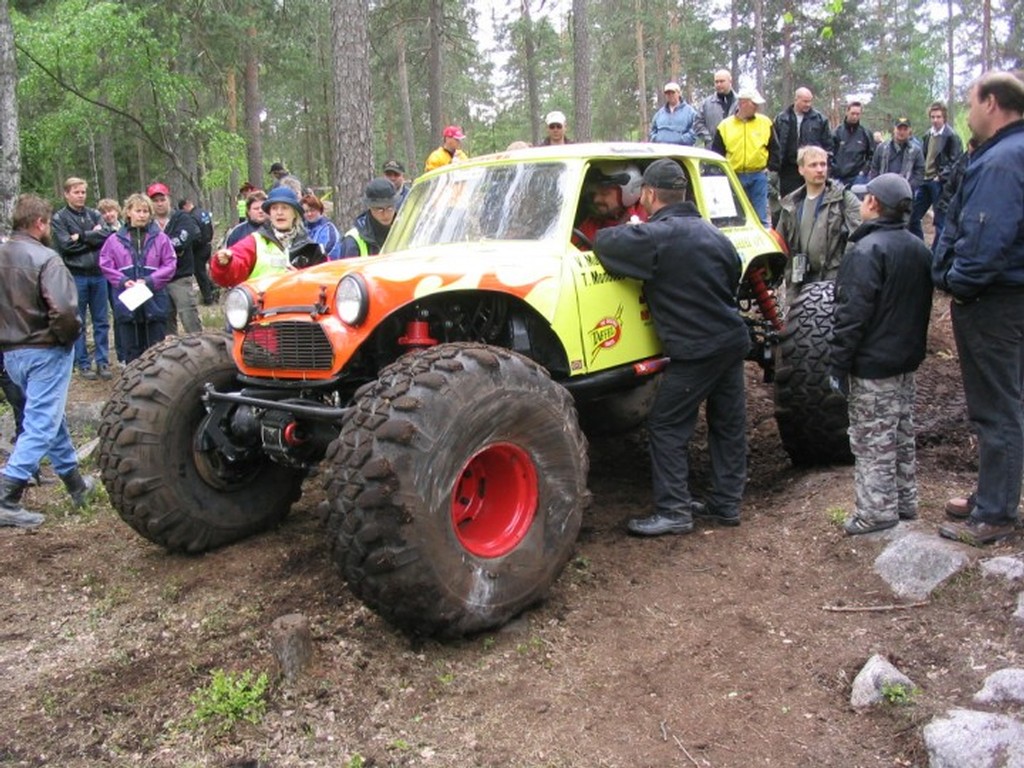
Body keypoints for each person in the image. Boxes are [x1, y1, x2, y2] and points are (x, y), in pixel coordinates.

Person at [593, 159, 750, 536]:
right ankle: (726, 504)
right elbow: (734, 274)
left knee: (665, 425)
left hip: (696, 350)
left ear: (648, 194)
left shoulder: (654, 237)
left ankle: (674, 511)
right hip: (731, 340)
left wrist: (630, 227)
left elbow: (603, 243)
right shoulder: (714, 235)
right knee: (728, 423)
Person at [933, 71, 1024, 547]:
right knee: (1001, 401)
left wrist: (956, 282)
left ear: (991, 103)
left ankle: (995, 513)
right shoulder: (1006, 153)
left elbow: (986, 235)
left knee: (996, 406)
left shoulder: (1003, 161)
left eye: (970, 102)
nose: (967, 112)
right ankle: (992, 494)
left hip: (994, 299)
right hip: (1003, 295)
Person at [828, 174, 933, 535]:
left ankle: (875, 513)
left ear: (872, 203)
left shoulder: (866, 250)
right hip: (905, 362)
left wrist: (838, 364)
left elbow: (851, 315)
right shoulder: (919, 248)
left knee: (872, 440)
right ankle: (904, 502)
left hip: (873, 366)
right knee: (902, 435)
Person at [0, 194, 98, 528]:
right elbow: (66, 311)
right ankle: (6, 494)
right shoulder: (46, 258)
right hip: (44, 348)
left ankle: (75, 485)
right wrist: (66, 339)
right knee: (41, 422)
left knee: (49, 417)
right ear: (40, 223)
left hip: (12, 353)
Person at [99, 193, 177, 363]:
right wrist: (121, 280)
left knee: (155, 350)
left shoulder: (161, 238)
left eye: (145, 211)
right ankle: (131, 381)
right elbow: (105, 264)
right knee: (131, 350)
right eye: (138, 211)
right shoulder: (114, 240)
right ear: (128, 212)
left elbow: (170, 264)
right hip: (126, 300)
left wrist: (150, 281)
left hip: (154, 299)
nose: (142, 215)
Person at [776, 145, 861, 294]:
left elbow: (859, 238)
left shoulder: (844, 199)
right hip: (800, 282)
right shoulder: (791, 203)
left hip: (833, 282)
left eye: (823, 164)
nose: (820, 169)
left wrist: (845, 276)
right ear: (801, 169)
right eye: (813, 165)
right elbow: (779, 244)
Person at [51, 176, 112, 381]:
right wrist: (90, 237)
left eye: (83, 192)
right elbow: (66, 245)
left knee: (101, 320)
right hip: (75, 275)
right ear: (67, 194)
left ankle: (103, 361)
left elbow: (106, 235)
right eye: (76, 192)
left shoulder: (94, 214)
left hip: (98, 274)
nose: (80, 196)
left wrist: (81, 236)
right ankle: (83, 363)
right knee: (78, 322)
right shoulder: (60, 218)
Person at [210, 186, 324, 288]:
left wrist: (303, 278)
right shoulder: (254, 241)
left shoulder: (310, 246)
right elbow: (231, 275)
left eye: (285, 208)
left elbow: (325, 280)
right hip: (262, 309)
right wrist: (225, 263)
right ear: (269, 214)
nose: (279, 212)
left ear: (295, 213)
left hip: (300, 309)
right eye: (274, 208)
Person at [711, 87, 781, 228]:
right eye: (753, 103)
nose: (757, 107)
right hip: (733, 177)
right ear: (742, 103)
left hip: (758, 176)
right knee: (735, 218)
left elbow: (775, 148)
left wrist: (770, 168)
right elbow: (717, 154)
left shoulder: (765, 122)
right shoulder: (725, 126)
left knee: (761, 217)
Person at [147, 183, 202, 334]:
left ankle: (199, 350)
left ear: (168, 199)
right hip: (157, 279)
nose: (159, 203)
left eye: (162, 199)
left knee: (189, 316)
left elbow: (183, 240)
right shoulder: (147, 222)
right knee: (165, 320)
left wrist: (157, 249)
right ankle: (171, 353)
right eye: (155, 200)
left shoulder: (182, 217)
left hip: (180, 276)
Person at [908, 101, 964, 244]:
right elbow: (924, 157)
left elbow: (956, 162)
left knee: (940, 222)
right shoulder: (928, 135)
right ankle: (919, 248)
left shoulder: (952, 137)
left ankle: (936, 257)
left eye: (938, 117)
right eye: (932, 117)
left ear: (944, 117)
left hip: (940, 184)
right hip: (925, 181)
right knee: (913, 217)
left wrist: (941, 177)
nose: (935, 120)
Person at [774, 87, 833, 198]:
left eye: (810, 101)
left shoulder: (820, 120)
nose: (808, 104)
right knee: (789, 202)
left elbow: (828, 146)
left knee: (812, 200)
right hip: (788, 170)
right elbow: (775, 145)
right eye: (805, 101)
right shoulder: (781, 119)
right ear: (796, 99)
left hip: (812, 168)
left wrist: (826, 168)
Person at [573, 163, 647, 245]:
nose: (596, 199)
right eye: (594, 193)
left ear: (629, 192)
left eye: (604, 193)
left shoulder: (650, 218)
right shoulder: (593, 222)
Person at [339, 178, 399, 258]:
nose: (386, 214)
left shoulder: (406, 231)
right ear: (370, 208)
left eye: (390, 208)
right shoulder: (353, 240)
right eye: (379, 209)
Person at [869, 117, 925, 193]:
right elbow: (874, 169)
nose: (902, 132)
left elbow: (920, 173)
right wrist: (877, 187)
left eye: (905, 129)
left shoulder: (916, 151)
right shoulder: (882, 148)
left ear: (909, 131)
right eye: (899, 129)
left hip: (905, 193)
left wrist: (909, 186)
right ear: (894, 129)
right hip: (883, 191)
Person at [179, 198, 217, 305]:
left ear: (186, 206)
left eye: (183, 210)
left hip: (199, 249)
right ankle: (213, 291)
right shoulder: (203, 212)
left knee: (200, 273)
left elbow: (196, 235)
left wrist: (190, 246)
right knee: (204, 272)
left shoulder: (192, 217)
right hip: (208, 245)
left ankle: (208, 298)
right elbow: (210, 227)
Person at [831, 101, 877, 188]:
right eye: (852, 113)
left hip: (858, 178)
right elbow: (829, 154)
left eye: (857, 114)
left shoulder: (865, 133)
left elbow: (872, 156)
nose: (855, 116)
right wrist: (834, 170)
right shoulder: (836, 132)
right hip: (839, 178)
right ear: (847, 112)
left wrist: (864, 171)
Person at [693, 69, 738, 147]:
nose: (719, 84)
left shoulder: (740, 102)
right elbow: (698, 123)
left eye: (722, 81)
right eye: (716, 82)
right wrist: (708, 139)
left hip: (735, 148)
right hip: (713, 149)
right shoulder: (706, 103)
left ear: (730, 82)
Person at [648, 81, 698, 145]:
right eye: (668, 93)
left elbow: (695, 130)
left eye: (673, 92)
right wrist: (657, 139)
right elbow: (652, 131)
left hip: (682, 151)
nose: (670, 95)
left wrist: (681, 140)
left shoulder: (690, 112)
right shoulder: (659, 114)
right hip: (662, 151)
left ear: (679, 93)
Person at [301, 192, 342, 260]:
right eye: (306, 211)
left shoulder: (328, 229)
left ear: (319, 210)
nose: (309, 214)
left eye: (312, 210)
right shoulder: (302, 229)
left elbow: (330, 250)